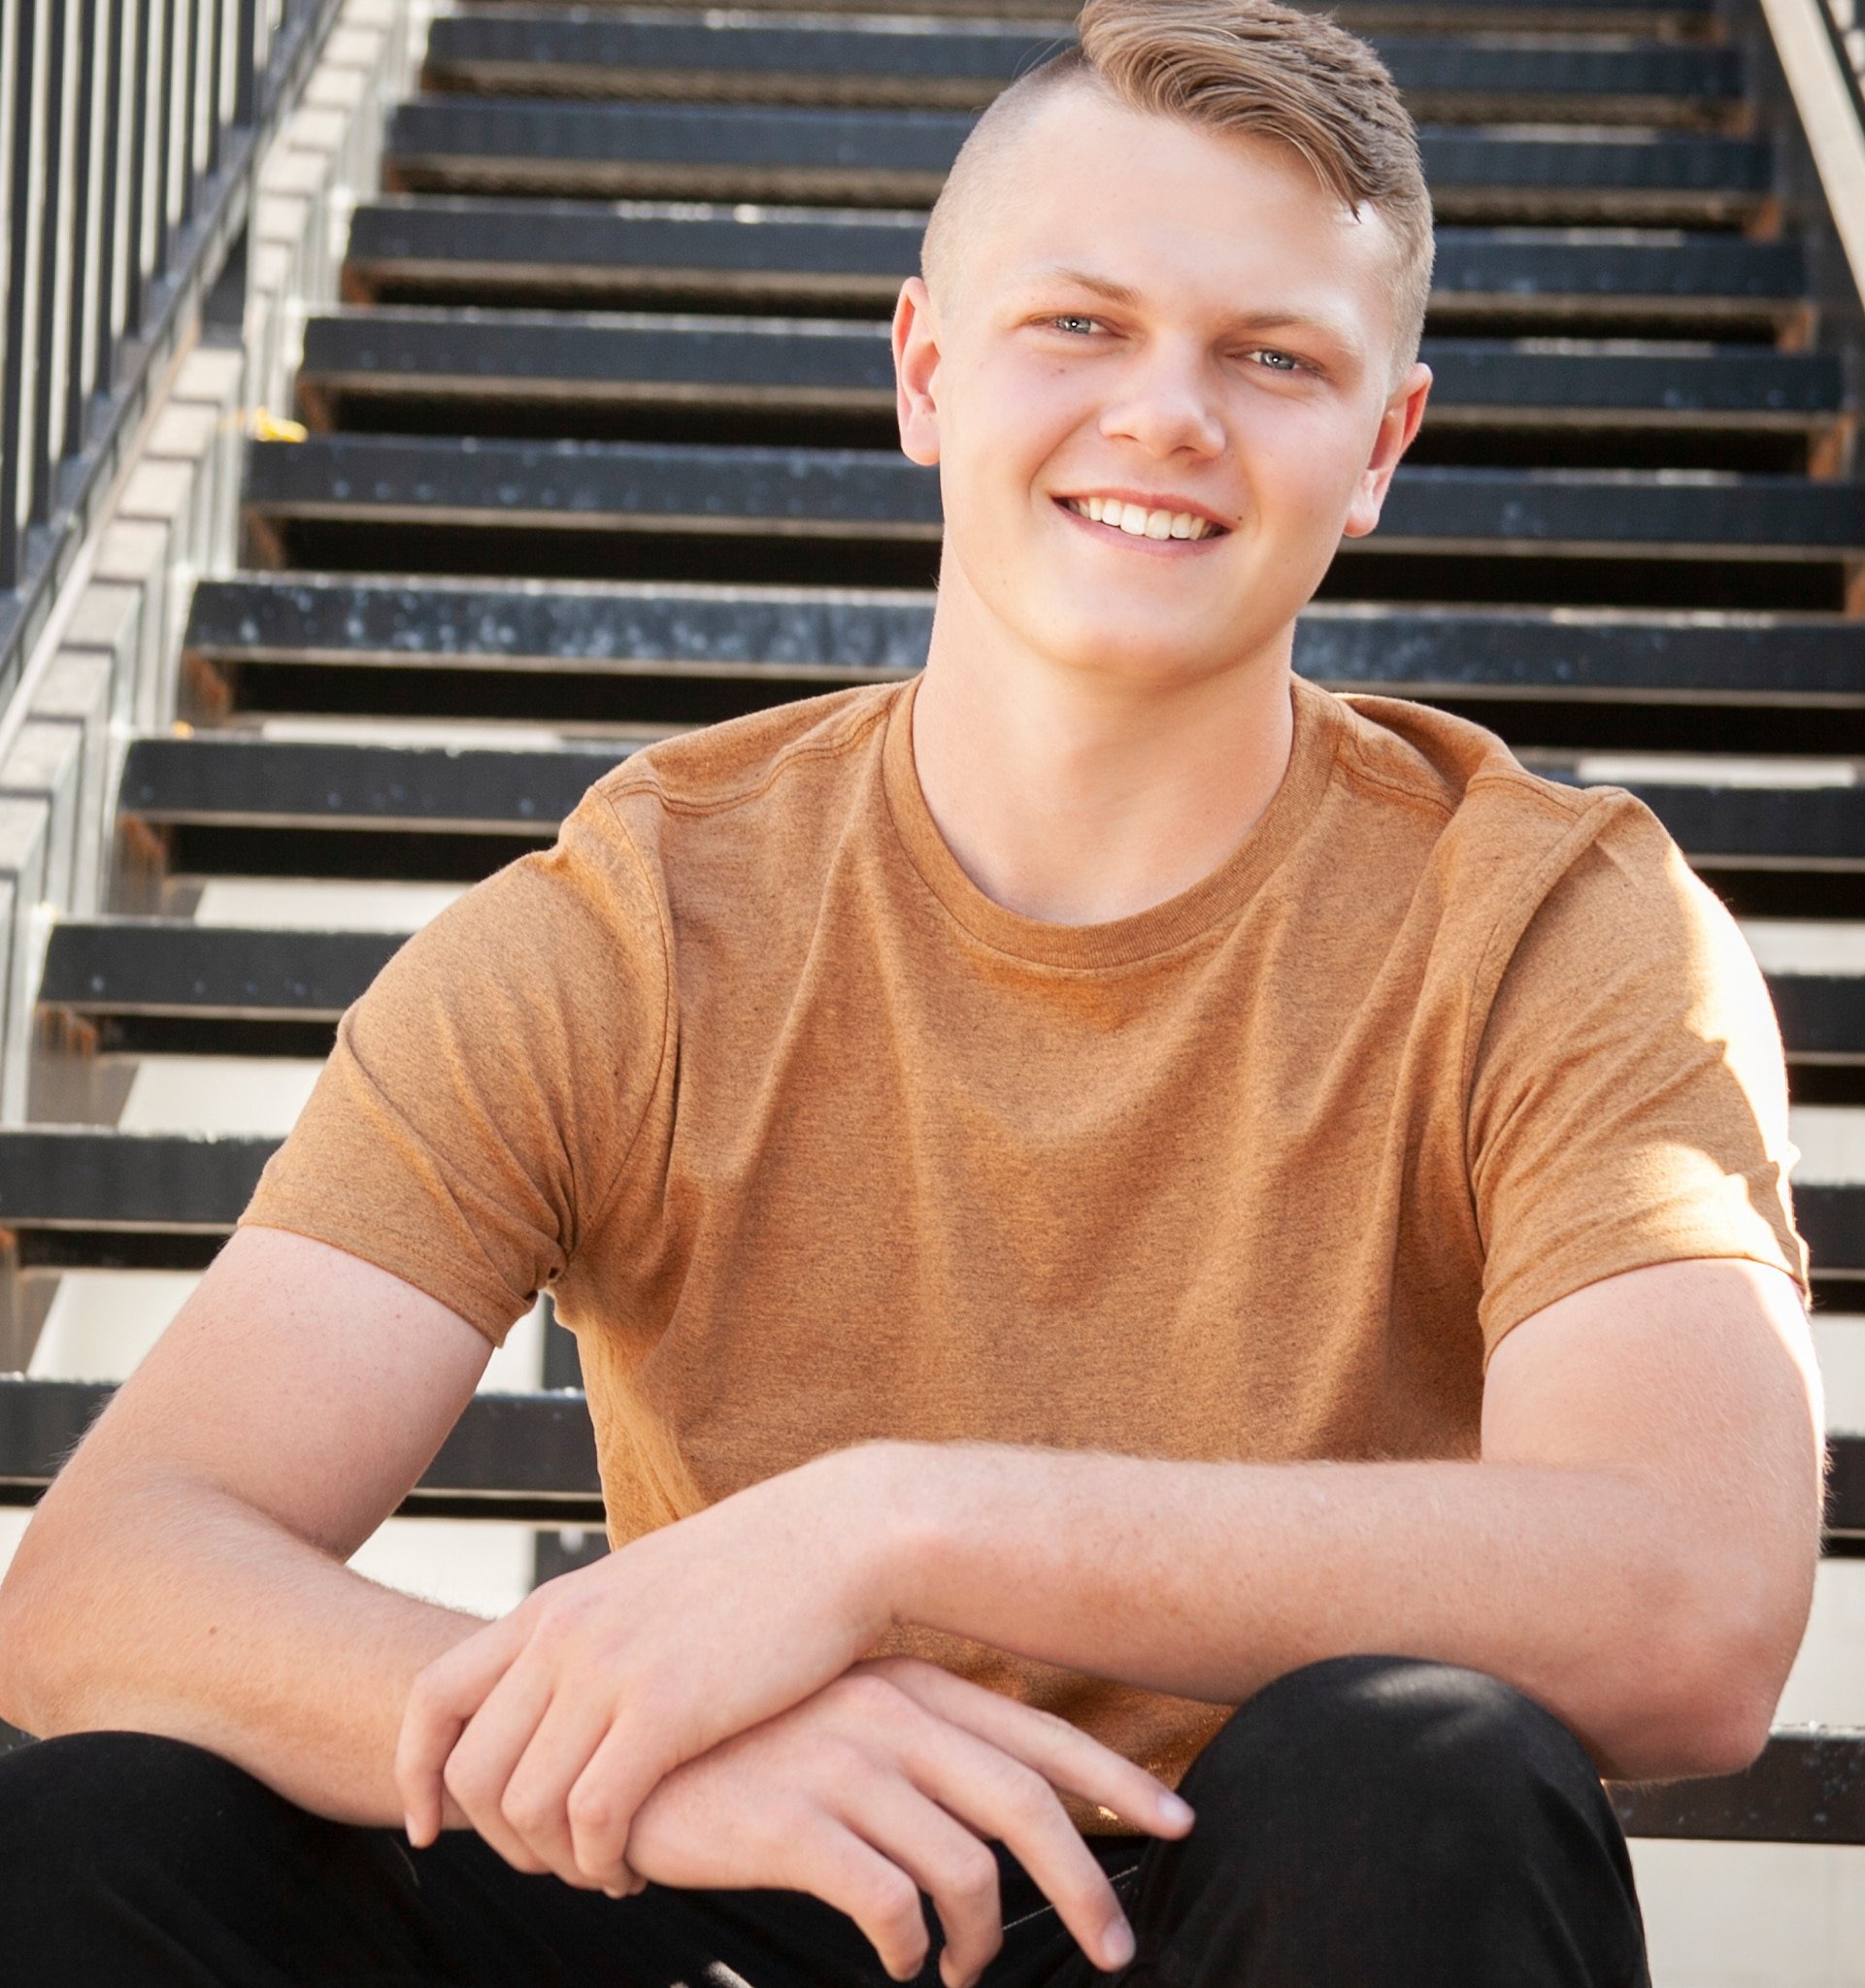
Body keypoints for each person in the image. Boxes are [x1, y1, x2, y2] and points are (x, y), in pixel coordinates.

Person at [0, 1, 1826, 1982]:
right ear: (925, 370)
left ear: (1380, 442)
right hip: (734, 1884)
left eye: (1274, 356)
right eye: (1078, 322)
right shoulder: (632, 929)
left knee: (1428, 1771)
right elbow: (110, 1576)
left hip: (1234, 1902)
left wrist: (889, 1528)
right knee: (104, 1826)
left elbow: (1687, 1603)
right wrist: (658, 1753)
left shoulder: (1557, 919)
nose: (1165, 415)